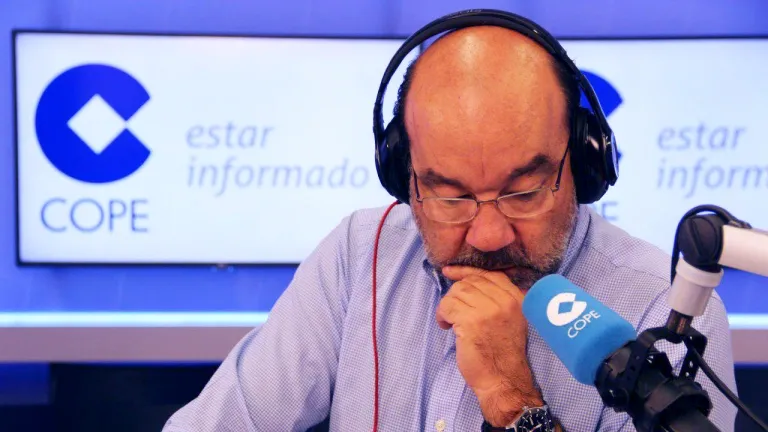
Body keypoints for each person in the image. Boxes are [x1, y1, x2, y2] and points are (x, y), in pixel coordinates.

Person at [163, 10, 737, 432]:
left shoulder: (667, 313)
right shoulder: (359, 255)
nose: (488, 236)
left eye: (523, 192)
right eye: (450, 196)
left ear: (584, 165)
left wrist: (515, 401)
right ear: (404, 178)